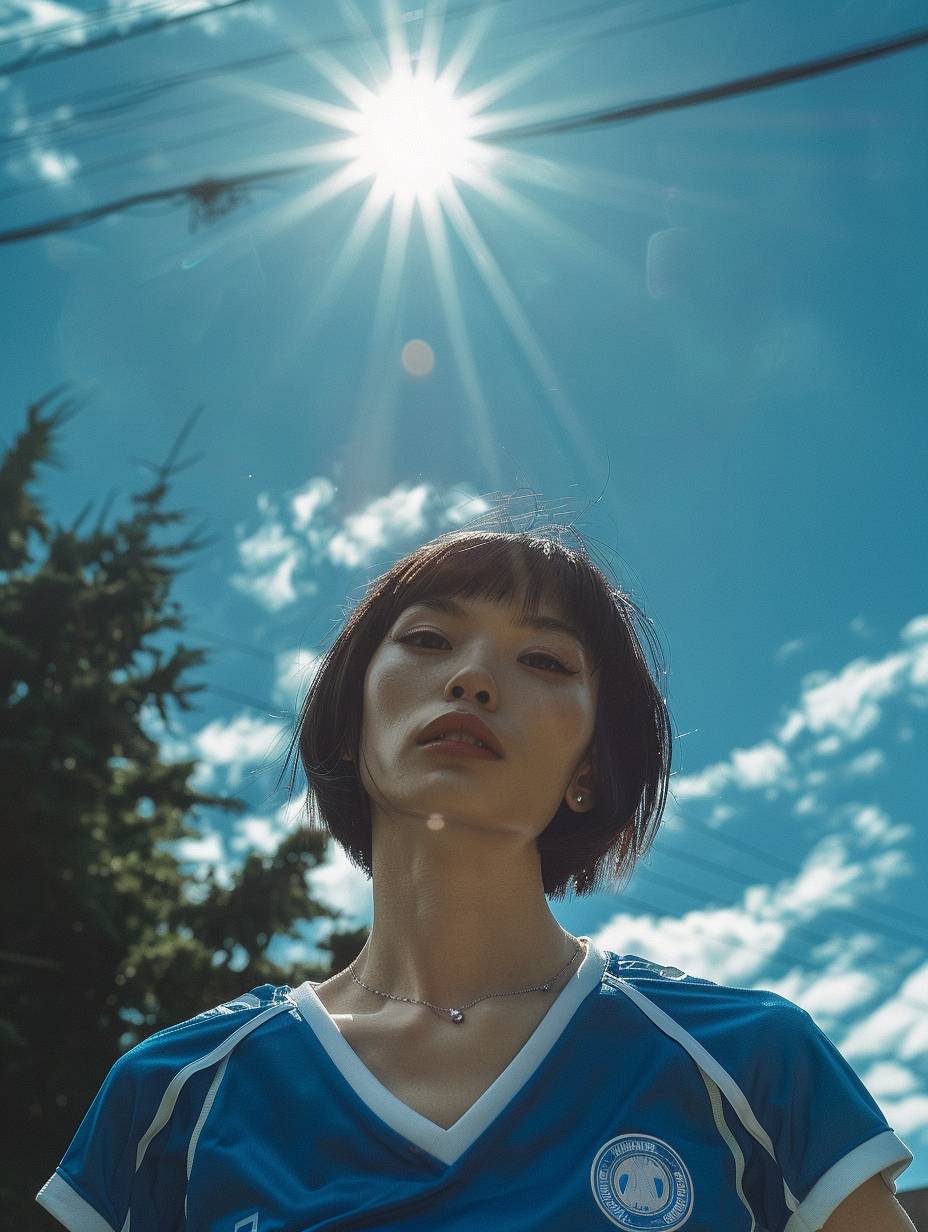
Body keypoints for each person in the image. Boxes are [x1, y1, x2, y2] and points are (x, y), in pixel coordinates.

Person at [36, 526, 915, 1231]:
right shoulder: (172, 1095)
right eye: (427, 639)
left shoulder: (752, 1061)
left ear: (589, 769)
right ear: (348, 724)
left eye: (545, 661)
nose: (472, 678)